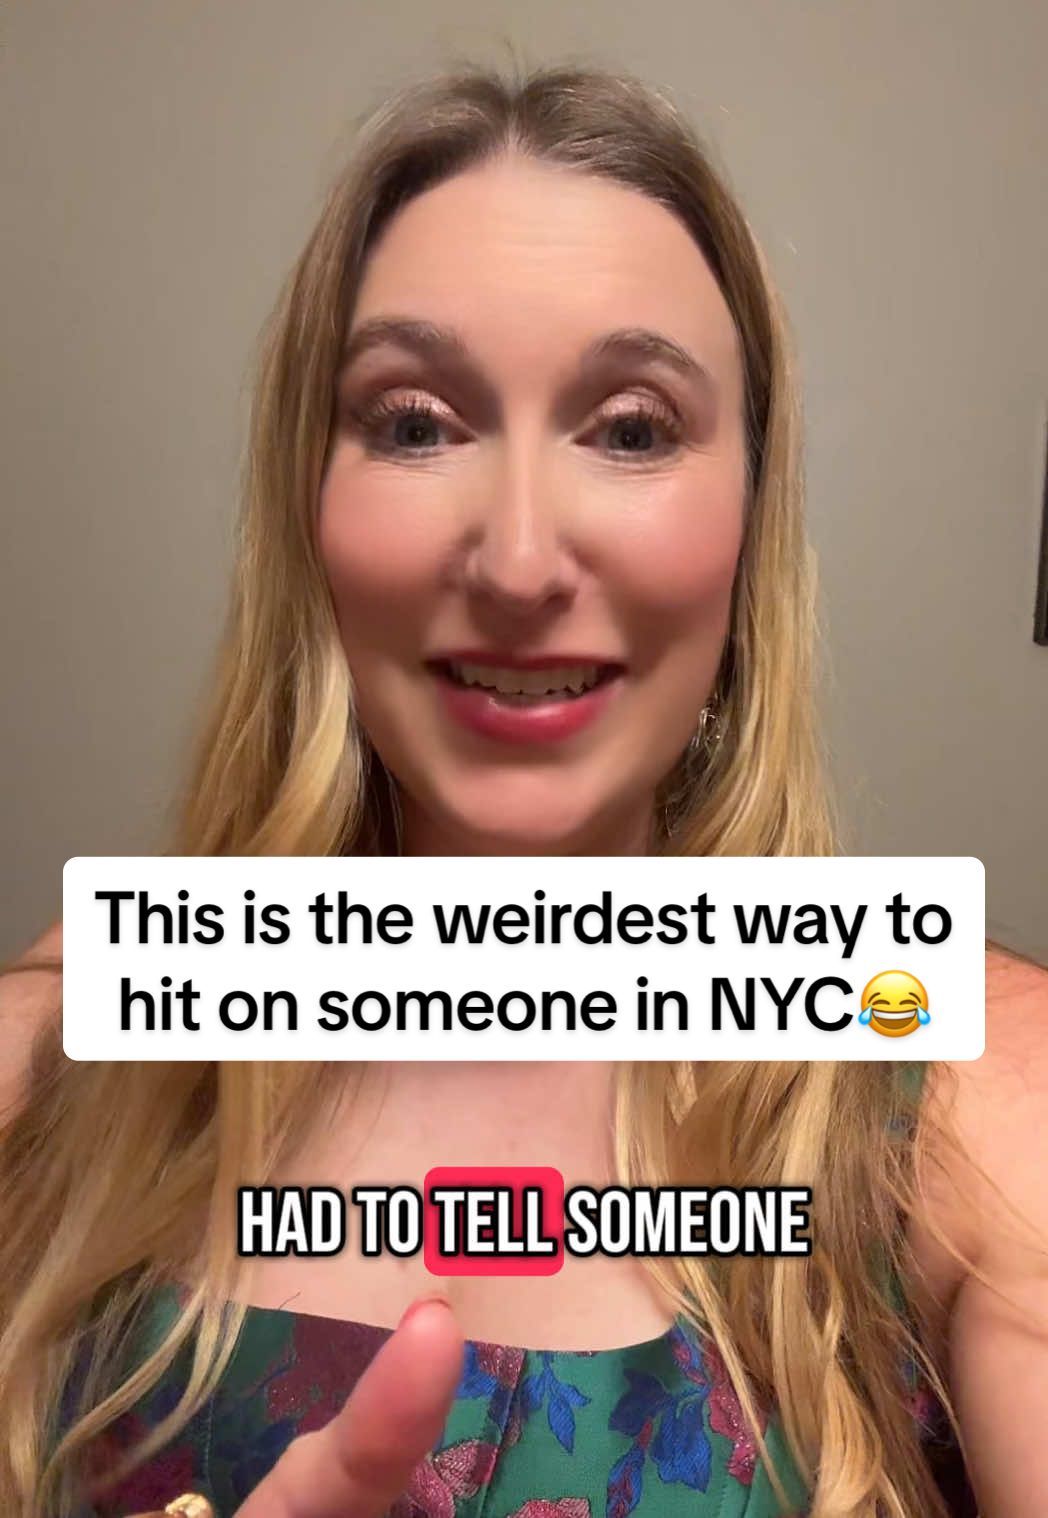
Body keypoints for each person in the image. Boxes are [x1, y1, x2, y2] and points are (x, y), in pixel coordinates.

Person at [1, 58, 1046, 1518]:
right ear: (310, 504)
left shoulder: (969, 1089)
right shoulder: (71, 1053)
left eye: (632, 429)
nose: (516, 559)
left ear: (751, 519)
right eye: (415, 423)